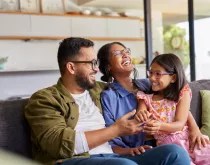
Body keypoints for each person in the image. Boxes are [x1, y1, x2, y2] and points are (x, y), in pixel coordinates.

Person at [25, 37, 190, 165]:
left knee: (175, 153)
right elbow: (58, 144)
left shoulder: (99, 89)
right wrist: (116, 130)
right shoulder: (43, 99)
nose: (96, 69)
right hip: (75, 159)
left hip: (114, 156)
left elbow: (174, 95)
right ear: (71, 67)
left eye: (96, 63)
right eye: (91, 63)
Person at [97, 42, 208, 157]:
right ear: (108, 66)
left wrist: (195, 129)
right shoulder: (109, 96)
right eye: (118, 53)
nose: (125, 55)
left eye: (126, 51)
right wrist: (128, 151)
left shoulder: (149, 83)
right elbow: (110, 136)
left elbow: (175, 104)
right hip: (141, 150)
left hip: (169, 142)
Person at [135, 53, 210, 165]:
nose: (151, 77)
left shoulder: (182, 93)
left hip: (190, 138)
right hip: (168, 145)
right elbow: (140, 113)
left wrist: (160, 125)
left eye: (158, 74)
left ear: (173, 78)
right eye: (150, 72)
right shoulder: (145, 98)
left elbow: (180, 123)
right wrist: (141, 115)